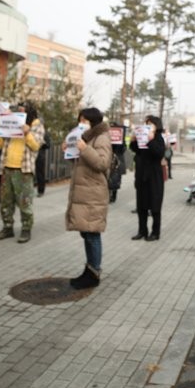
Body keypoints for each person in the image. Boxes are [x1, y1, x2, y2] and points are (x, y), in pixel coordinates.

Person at [66, 107, 113, 289]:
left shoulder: (101, 137)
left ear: (92, 122)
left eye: (84, 121)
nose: (81, 123)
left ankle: (94, 273)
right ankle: (89, 269)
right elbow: (82, 163)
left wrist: (85, 149)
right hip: (85, 192)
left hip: (93, 193)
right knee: (86, 232)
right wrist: (70, 152)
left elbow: (102, 163)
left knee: (92, 234)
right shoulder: (86, 137)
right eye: (80, 120)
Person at [0, 102, 45, 243]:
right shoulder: (12, 122)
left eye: (23, 111)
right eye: (18, 111)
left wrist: (27, 133)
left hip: (24, 170)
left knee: (24, 202)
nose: (20, 113)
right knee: (5, 202)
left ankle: (26, 229)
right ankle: (7, 227)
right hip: (7, 168)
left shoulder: (36, 126)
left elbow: (35, 146)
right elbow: (1, 145)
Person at [129, 115, 166, 241]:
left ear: (157, 126)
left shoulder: (159, 138)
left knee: (155, 205)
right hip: (142, 175)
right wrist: (134, 141)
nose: (148, 127)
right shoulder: (142, 137)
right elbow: (137, 151)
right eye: (146, 124)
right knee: (141, 205)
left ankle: (155, 233)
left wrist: (150, 140)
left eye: (150, 124)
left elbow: (159, 153)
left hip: (154, 176)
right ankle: (142, 231)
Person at [109, 126, 126, 203]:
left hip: (117, 161)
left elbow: (123, 149)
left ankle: (114, 195)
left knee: (115, 178)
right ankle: (110, 194)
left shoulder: (121, 141)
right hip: (110, 159)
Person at [35, 130, 51, 197]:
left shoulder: (44, 133)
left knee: (40, 173)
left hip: (40, 155)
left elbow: (48, 145)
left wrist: (42, 143)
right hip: (29, 155)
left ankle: (41, 190)